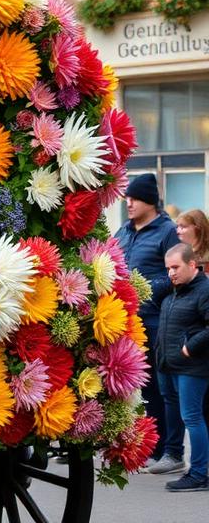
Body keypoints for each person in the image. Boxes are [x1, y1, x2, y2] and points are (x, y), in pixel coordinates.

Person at [114, 173, 183, 473]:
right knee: (136, 388)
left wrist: (144, 289)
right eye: (127, 198)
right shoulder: (123, 231)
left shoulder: (167, 231)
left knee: (160, 387)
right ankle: (145, 447)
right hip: (125, 321)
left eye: (135, 198)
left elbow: (177, 274)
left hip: (156, 320)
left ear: (150, 202)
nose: (129, 203)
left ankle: (169, 452)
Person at [158, 243, 209, 492]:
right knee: (186, 416)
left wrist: (190, 347)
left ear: (192, 264)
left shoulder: (204, 290)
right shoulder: (175, 290)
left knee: (192, 417)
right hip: (168, 365)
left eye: (176, 267)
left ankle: (198, 474)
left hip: (191, 367)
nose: (171, 273)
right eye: (168, 268)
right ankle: (189, 466)